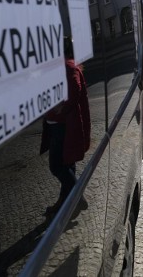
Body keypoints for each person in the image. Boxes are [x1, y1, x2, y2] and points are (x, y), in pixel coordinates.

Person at [40, 37, 91, 216]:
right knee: (67, 167)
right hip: (58, 124)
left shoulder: (68, 66)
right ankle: (66, 204)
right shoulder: (59, 65)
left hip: (63, 127)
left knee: (57, 166)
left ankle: (78, 197)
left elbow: (75, 90)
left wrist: (59, 109)